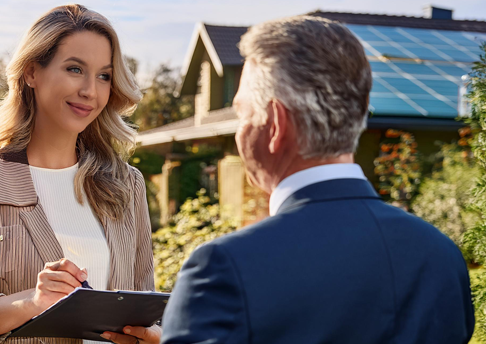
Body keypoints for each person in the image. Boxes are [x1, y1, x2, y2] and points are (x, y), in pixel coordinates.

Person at [161, 15, 474, 344]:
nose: (240, 131)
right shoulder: (441, 256)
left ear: (276, 125)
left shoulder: (225, 269)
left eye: (242, 114)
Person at [0, 5, 161, 344]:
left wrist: (153, 334)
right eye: (74, 69)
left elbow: (146, 302)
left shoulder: (128, 185)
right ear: (31, 73)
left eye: (103, 76)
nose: (90, 91)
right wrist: (33, 302)